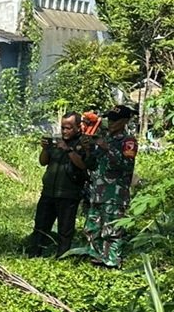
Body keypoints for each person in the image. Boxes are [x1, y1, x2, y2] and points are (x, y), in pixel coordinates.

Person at [27, 112, 91, 258]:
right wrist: (45, 148)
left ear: (77, 127)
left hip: (69, 194)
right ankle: (34, 254)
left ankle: (62, 257)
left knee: (65, 230)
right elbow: (43, 162)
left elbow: (83, 165)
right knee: (41, 226)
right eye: (62, 128)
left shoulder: (83, 144)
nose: (64, 131)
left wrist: (68, 150)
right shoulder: (56, 142)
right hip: (49, 192)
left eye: (68, 128)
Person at [82, 104, 138, 268]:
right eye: (109, 119)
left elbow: (127, 165)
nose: (111, 123)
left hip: (115, 195)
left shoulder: (128, 142)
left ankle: (112, 262)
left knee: (112, 231)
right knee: (92, 228)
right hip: (97, 192)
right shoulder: (104, 139)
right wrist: (87, 150)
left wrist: (108, 149)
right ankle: (97, 258)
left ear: (125, 121)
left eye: (115, 120)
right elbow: (91, 164)